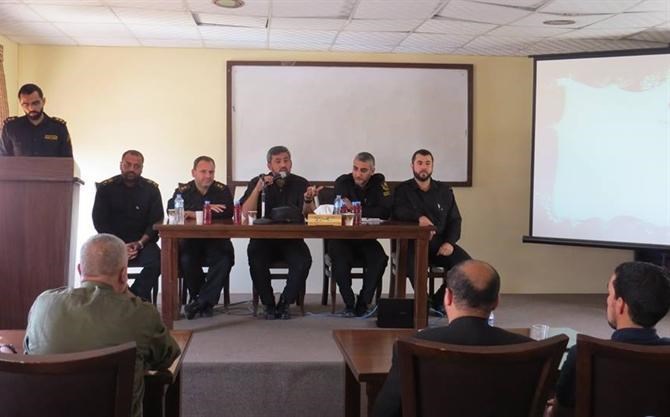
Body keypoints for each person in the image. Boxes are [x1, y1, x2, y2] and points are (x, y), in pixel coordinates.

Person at [24, 233, 180, 417]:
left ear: (79, 269)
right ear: (124, 275)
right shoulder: (141, 314)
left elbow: (29, 353)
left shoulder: (43, 303)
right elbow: (167, 357)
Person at [372, 259, 531, 417]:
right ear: (496, 301)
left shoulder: (413, 345)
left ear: (447, 297)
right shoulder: (528, 348)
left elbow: (385, 412)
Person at [550, 261, 670, 416]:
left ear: (620, 305)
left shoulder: (580, 354)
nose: (607, 301)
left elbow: (560, 413)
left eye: (610, 294)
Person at [240, 145, 319, 320]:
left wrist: (308, 200)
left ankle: (285, 302)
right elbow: (245, 213)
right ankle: (268, 304)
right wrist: (258, 189)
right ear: (269, 165)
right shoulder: (258, 182)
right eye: (278, 161)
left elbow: (310, 216)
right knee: (256, 259)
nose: (283, 165)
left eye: (286, 160)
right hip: (263, 239)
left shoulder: (301, 183)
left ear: (291, 163)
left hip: (292, 240)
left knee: (303, 261)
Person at [392, 148, 471, 310]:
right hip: (412, 244)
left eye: (428, 163)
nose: (424, 167)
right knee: (412, 264)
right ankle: (423, 301)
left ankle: (438, 299)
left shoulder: (444, 191)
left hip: (440, 244)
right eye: (419, 163)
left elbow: (455, 220)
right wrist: (418, 218)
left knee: (467, 266)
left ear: (432, 166)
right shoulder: (402, 190)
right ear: (412, 166)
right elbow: (397, 212)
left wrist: (449, 242)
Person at [167, 156, 235, 319]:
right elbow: (171, 210)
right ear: (193, 173)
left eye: (211, 172)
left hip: (216, 240)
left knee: (225, 259)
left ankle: (199, 302)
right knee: (187, 260)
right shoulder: (183, 191)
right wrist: (206, 209)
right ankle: (204, 302)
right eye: (203, 172)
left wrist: (191, 212)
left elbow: (228, 212)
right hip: (192, 241)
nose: (208, 176)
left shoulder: (222, 190)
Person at [92, 150, 163, 302]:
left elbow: (156, 221)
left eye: (136, 166)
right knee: (97, 259)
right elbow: (100, 221)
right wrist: (120, 246)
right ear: (121, 165)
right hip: (112, 243)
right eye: (128, 164)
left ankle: (134, 297)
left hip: (142, 243)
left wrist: (139, 243)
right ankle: (113, 300)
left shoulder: (151, 189)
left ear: (142, 168)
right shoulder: (106, 188)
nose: (132, 169)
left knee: (159, 260)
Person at [329, 152, 391, 316]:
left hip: (366, 238)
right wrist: (368, 210)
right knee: (340, 261)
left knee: (379, 258)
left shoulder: (379, 183)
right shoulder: (343, 182)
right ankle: (349, 303)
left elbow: (385, 211)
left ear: (372, 171)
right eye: (355, 168)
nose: (358, 174)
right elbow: (338, 208)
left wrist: (357, 209)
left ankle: (363, 302)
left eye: (363, 170)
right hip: (342, 238)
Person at [1, 83, 72, 157]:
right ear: (21, 104)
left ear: (43, 101)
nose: (31, 108)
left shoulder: (58, 128)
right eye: (26, 104)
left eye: (35, 103)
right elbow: (4, 160)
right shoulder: (10, 128)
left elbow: (67, 160)